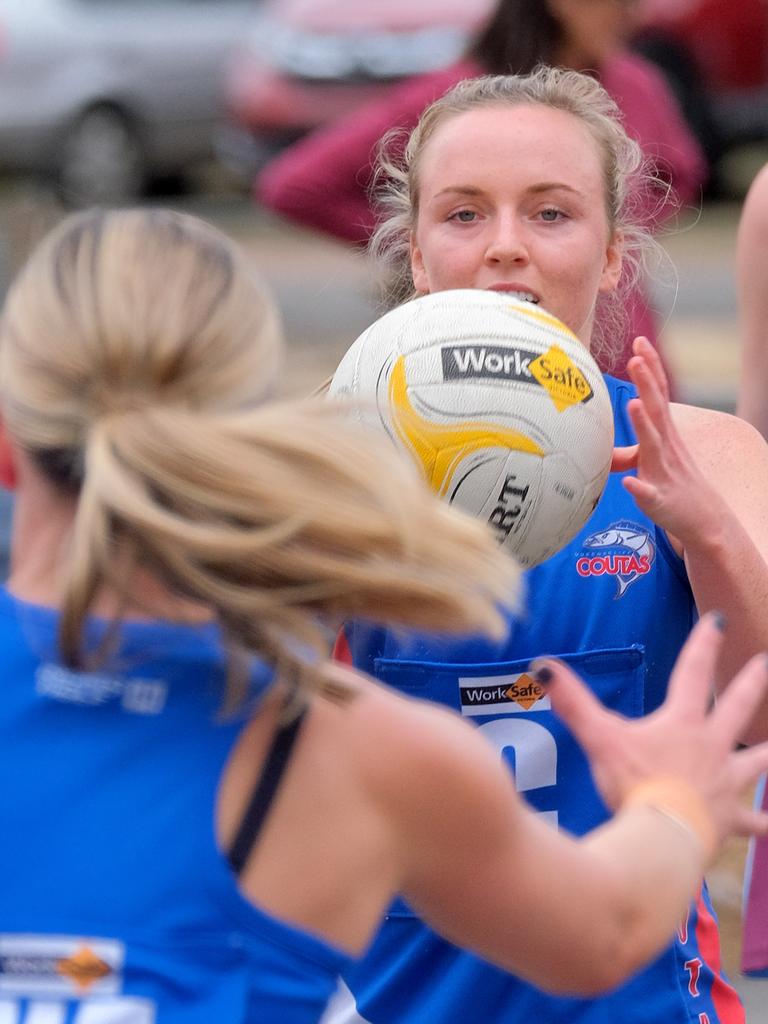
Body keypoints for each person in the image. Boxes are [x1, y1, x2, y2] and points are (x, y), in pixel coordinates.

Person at [1, 206, 766, 1023]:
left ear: (12, 433)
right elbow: (604, 933)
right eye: (465, 211)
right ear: (245, 429)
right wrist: (674, 801)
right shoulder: (342, 753)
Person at [324, 68, 768, 1024]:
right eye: (464, 214)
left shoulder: (710, 457)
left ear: (614, 257)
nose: (507, 249)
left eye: (553, 214)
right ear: (418, 259)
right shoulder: (326, 483)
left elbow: (756, 724)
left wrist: (707, 536)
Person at [256, 0, 706, 381]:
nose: (635, 13)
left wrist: (586, 237)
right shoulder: (453, 103)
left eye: (550, 212)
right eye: (468, 213)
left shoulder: (636, 84)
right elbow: (295, 186)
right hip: (472, 373)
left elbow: (681, 174)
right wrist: (436, 241)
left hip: (619, 362)